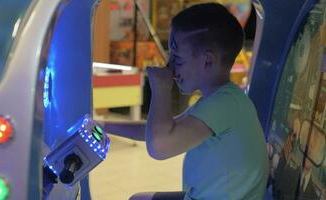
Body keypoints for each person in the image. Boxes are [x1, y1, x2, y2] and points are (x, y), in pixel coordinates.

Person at [104, 3, 268, 200]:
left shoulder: (226, 104)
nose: (170, 67)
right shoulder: (219, 100)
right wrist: (101, 125)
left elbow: (159, 147)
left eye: (178, 59)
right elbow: (151, 132)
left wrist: (161, 89)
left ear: (207, 60)